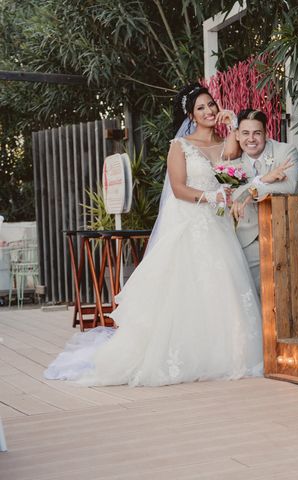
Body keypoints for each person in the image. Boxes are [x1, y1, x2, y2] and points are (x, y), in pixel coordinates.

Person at [44, 83, 263, 386]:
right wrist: (211, 197)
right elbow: (179, 188)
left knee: (222, 285)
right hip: (193, 223)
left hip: (220, 227)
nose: (209, 111)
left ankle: (228, 353)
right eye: (201, 108)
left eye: (211, 104)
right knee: (188, 288)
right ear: (191, 114)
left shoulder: (225, 142)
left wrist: (233, 123)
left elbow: (235, 160)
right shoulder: (180, 145)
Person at [230, 109, 298, 338]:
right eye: (246, 133)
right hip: (249, 238)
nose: (251, 139)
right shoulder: (231, 162)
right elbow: (230, 196)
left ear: (266, 133)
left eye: (257, 133)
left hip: (289, 231)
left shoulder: (285, 150)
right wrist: (264, 180)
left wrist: (250, 189)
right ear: (237, 134)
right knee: (256, 293)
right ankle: (268, 350)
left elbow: (288, 187)